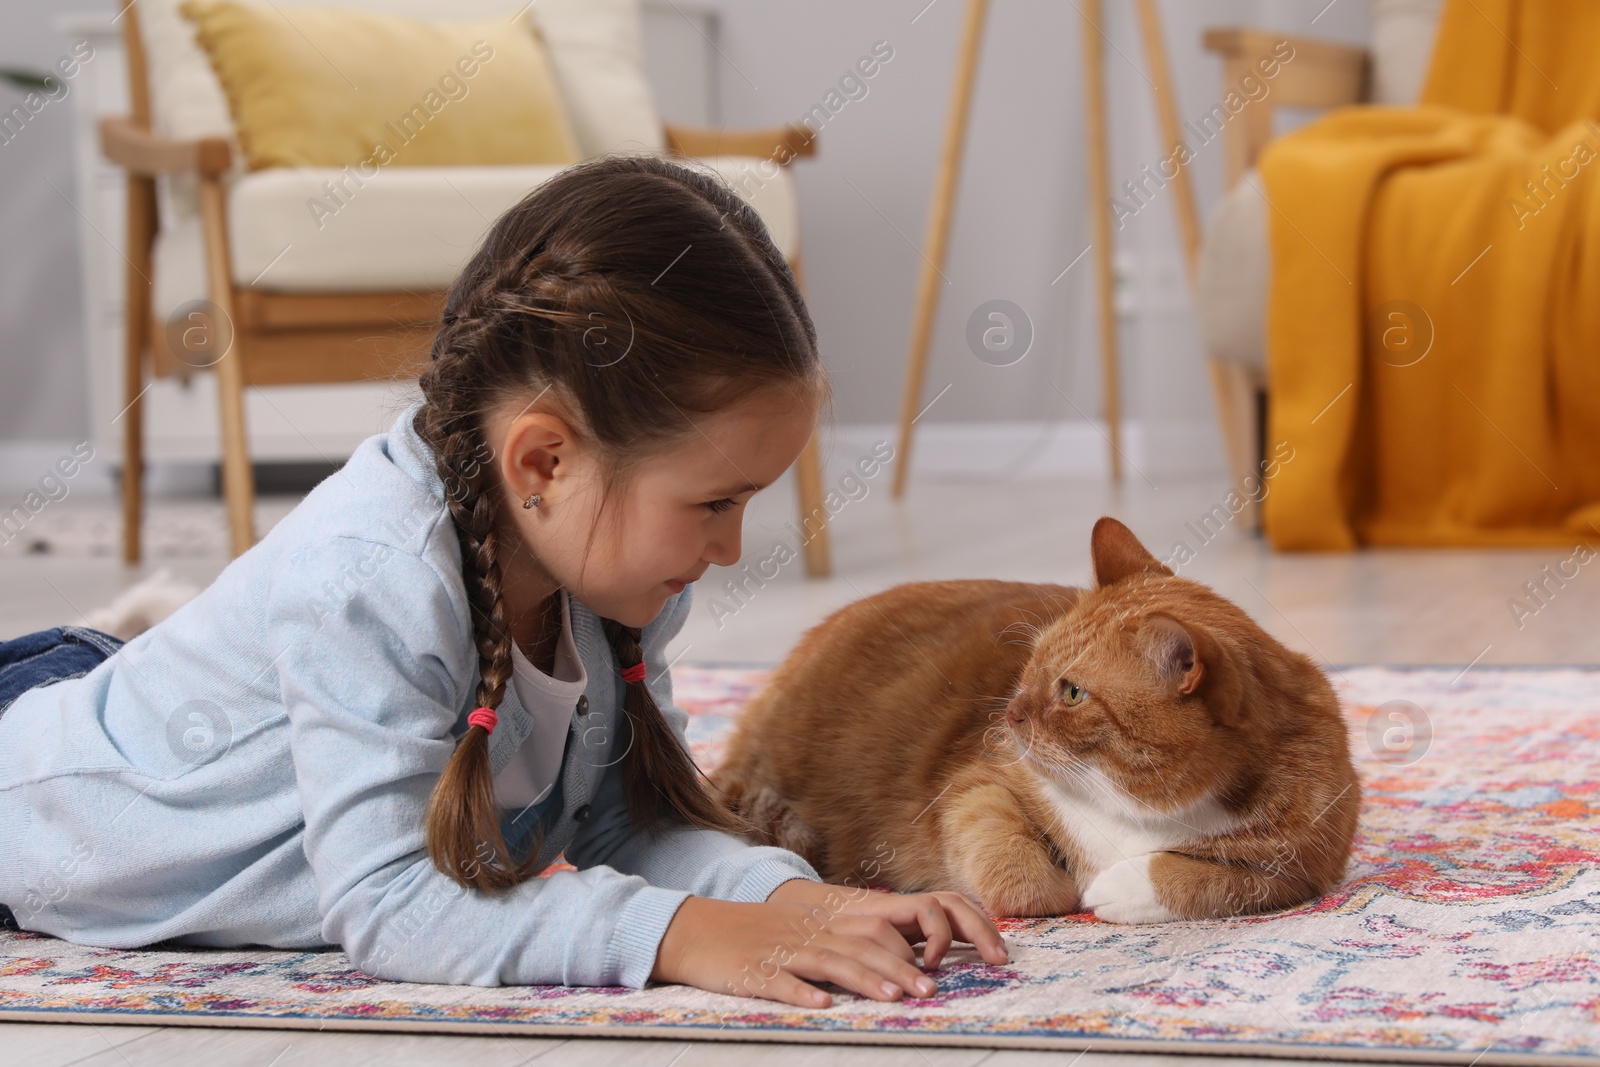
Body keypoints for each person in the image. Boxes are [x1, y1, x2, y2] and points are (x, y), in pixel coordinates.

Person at [0, 154, 1006, 1007]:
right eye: (713, 503)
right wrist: (684, 935)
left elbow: (620, 824)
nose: (731, 547)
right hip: (40, 795)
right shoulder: (373, 579)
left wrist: (781, 897)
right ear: (543, 463)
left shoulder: (610, 571)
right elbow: (389, 900)